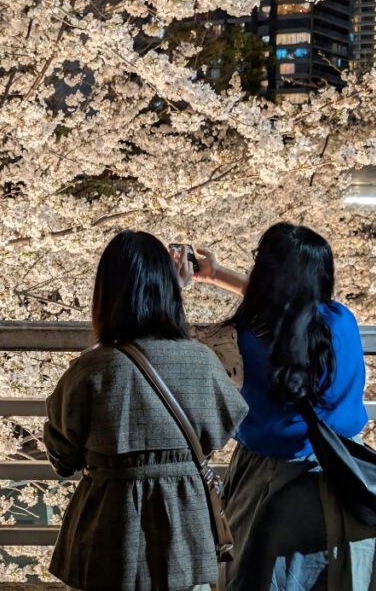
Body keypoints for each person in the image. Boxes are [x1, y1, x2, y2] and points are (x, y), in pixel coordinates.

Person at [176, 222, 376, 590]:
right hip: (343, 477)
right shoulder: (342, 320)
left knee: (260, 575)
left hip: (267, 483)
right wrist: (222, 276)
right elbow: (292, 310)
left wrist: (184, 284)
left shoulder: (238, 339)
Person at [45, 230, 247, 591]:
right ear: (169, 290)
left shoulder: (91, 370)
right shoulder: (203, 363)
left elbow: (63, 458)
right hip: (186, 535)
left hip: (108, 538)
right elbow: (222, 428)